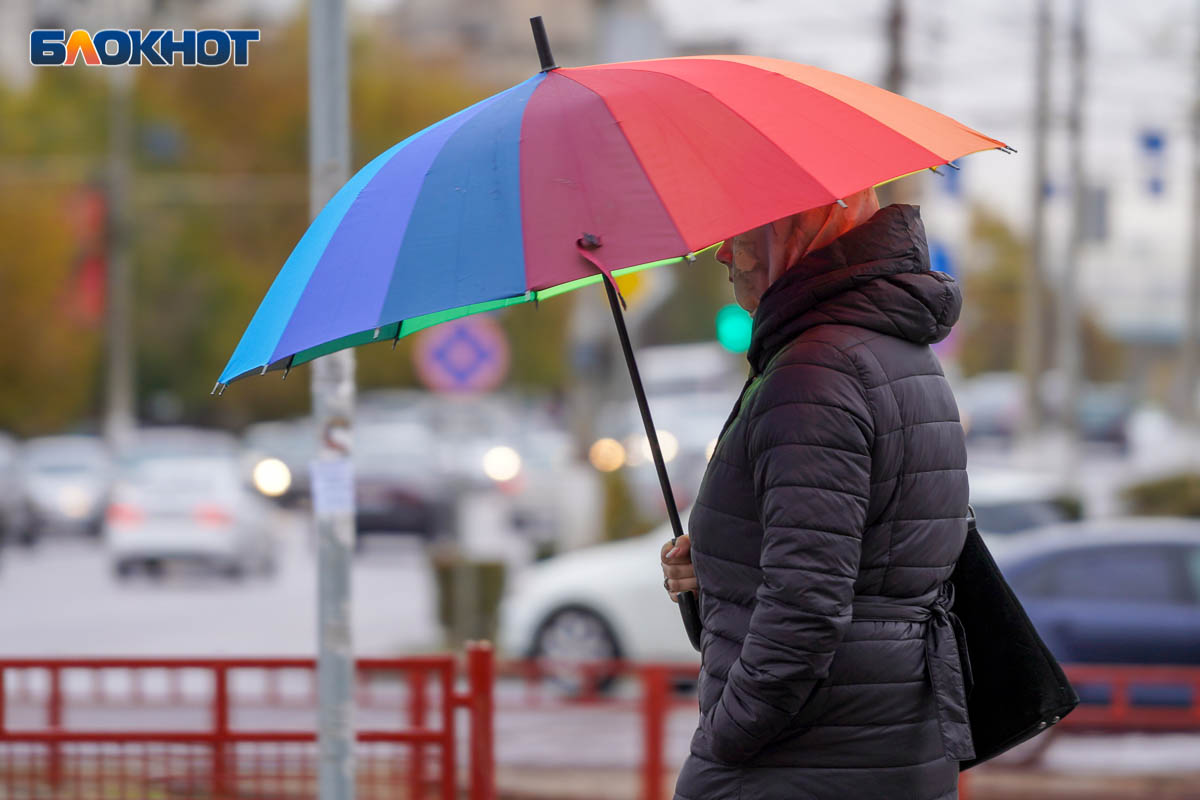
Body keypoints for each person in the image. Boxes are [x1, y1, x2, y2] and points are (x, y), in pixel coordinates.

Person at [661, 187, 973, 800]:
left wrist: (727, 740)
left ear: (795, 235)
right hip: (890, 735)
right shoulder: (893, 352)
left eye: (744, 231)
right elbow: (876, 554)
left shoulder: (814, 373)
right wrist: (719, 568)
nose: (723, 254)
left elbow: (805, 605)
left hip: (805, 754)